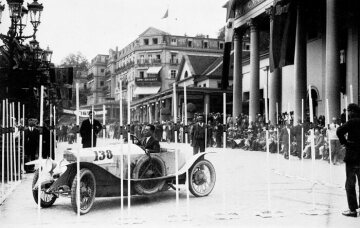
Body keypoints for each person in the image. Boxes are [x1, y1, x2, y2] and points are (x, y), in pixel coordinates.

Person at [337, 103, 360, 217]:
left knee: (350, 184)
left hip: (352, 157)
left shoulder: (352, 122)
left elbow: (339, 131)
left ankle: (353, 210)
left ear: (351, 112)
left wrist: (345, 143)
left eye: (348, 111)